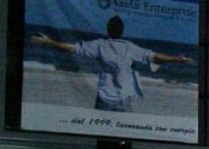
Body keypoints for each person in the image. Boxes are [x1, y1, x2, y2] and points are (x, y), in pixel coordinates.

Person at [30, 15, 195, 112]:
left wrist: (50, 41)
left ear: (108, 30)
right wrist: (176, 58)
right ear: (122, 31)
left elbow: (72, 48)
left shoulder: (100, 45)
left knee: (99, 134)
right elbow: (155, 57)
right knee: (124, 137)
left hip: (104, 98)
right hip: (123, 100)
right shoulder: (129, 48)